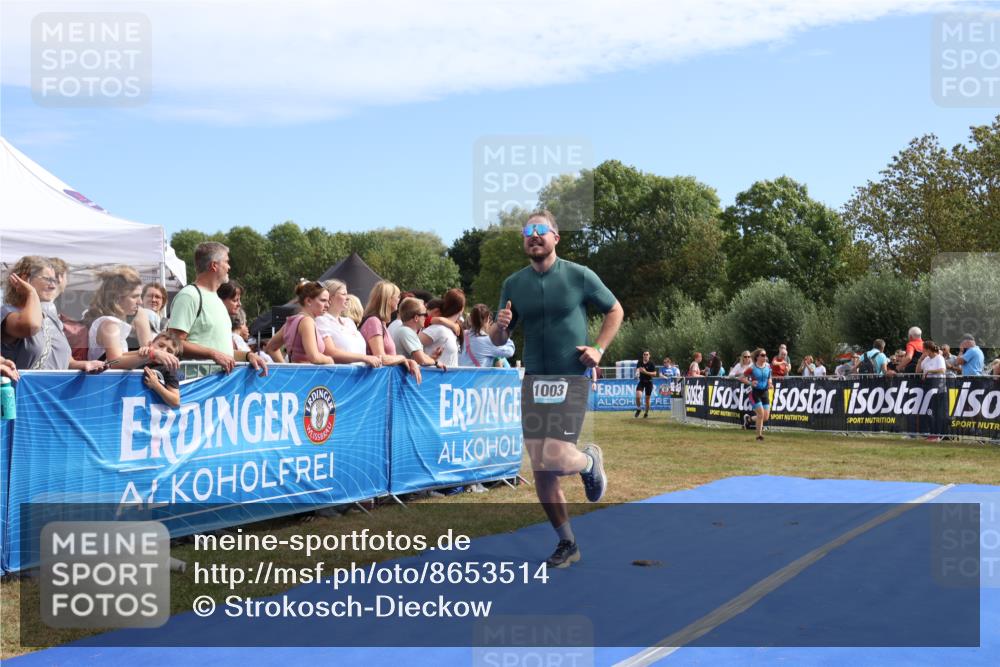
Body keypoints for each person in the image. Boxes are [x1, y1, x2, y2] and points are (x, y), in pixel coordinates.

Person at [490, 210, 623, 568]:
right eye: (527, 232)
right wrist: (500, 328)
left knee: (557, 454)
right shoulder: (514, 283)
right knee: (542, 470)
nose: (534, 237)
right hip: (534, 379)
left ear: (555, 237)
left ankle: (589, 461)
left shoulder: (579, 275)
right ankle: (568, 543)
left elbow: (615, 310)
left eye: (541, 231)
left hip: (571, 376)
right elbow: (499, 338)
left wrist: (599, 349)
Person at [167, 242, 268, 375]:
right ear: (214, 265)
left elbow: (223, 353)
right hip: (196, 387)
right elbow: (173, 343)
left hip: (217, 388)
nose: (229, 267)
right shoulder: (189, 296)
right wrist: (212, 354)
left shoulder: (217, 300)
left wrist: (248, 356)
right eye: (226, 262)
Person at [1, 256, 102, 371]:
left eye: (54, 280)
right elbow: (30, 327)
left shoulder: (52, 319)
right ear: (25, 279)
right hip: (24, 388)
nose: (53, 285)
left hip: (55, 388)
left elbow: (63, 360)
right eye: (48, 279)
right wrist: (31, 293)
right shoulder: (8, 312)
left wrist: (83, 364)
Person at [95, 330, 183, 407]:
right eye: (160, 345)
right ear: (150, 344)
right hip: (124, 404)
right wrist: (139, 353)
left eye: (169, 351)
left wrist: (156, 385)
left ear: (174, 358)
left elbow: (176, 401)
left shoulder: (170, 369)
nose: (163, 351)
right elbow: (114, 361)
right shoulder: (143, 357)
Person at [360, 280, 421, 382]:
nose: (399, 299)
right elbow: (381, 358)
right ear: (388, 299)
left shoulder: (381, 323)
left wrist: (407, 361)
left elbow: (389, 358)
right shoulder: (374, 322)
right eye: (397, 296)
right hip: (375, 383)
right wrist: (402, 358)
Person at [313, 280, 381, 367]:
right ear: (330, 297)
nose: (347, 298)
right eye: (343, 294)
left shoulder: (349, 321)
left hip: (360, 376)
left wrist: (370, 359)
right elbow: (330, 352)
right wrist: (365, 358)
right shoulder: (321, 321)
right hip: (341, 376)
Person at [85, 266, 144, 363]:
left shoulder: (110, 322)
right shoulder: (109, 324)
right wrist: (150, 356)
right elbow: (114, 361)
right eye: (134, 296)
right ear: (117, 298)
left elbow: (119, 356)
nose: (140, 302)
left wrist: (149, 353)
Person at [392, 297, 445, 368]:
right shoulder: (406, 331)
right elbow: (421, 360)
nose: (426, 318)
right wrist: (436, 362)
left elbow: (419, 359)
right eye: (425, 315)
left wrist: (431, 358)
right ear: (416, 318)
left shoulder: (405, 330)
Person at [421, 288, 464, 369]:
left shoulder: (451, 328)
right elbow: (413, 344)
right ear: (461, 308)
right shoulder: (438, 328)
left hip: (447, 379)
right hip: (434, 379)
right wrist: (430, 360)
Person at [462, 303, 515, 368]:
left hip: (462, 377)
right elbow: (510, 351)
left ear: (471, 318)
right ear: (487, 319)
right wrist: (500, 331)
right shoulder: (488, 341)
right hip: (480, 377)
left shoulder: (463, 334)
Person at [740, 348, 773, 442]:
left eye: (765, 355)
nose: (765, 357)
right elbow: (741, 378)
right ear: (757, 357)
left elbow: (769, 377)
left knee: (765, 417)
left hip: (765, 392)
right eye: (762, 355)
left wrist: (770, 383)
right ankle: (759, 436)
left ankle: (749, 419)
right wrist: (750, 383)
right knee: (761, 414)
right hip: (755, 393)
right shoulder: (752, 368)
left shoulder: (768, 367)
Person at [920, 340, 947, 442]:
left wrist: (929, 371)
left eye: (924, 349)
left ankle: (937, 435)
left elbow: (942, 370)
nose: (922, 351)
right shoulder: (926, 359)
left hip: (938, 389)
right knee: (929, 411)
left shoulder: (939, 358)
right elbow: (918, 370)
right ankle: (931, 433)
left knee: (936, 412)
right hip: (928, 388)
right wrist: (920, 359)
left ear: (928, 349)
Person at [634, 350, 657, 418]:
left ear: (649, 356)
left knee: (647, 399)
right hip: (641, 381)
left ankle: (646, 413)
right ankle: (639, 409)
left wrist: (645, 372)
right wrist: (637, 374)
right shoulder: (640, 362)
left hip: (649, 382)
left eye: (647, 354)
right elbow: (638, 369)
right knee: (638, 396)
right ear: (643, 355)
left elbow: (655, 374)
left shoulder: (651, 363)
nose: (645, 356)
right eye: (644, 354)